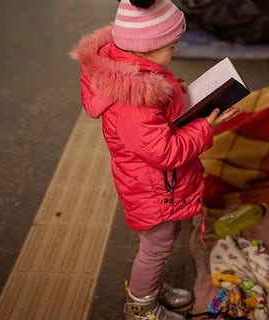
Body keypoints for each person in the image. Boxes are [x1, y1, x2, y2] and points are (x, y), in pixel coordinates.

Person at [70, 1, 240, 320]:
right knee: (156, 247)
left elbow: (158, 112)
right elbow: (164, 151)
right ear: (148, 48)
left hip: (154, 185)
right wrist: (206, 126)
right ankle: (141, 304)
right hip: (153, 190)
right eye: (172, 46)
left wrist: (178, 92)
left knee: (162, 242)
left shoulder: (137, 71)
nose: (175, 52)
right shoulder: (134, 100)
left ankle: (149, 286)